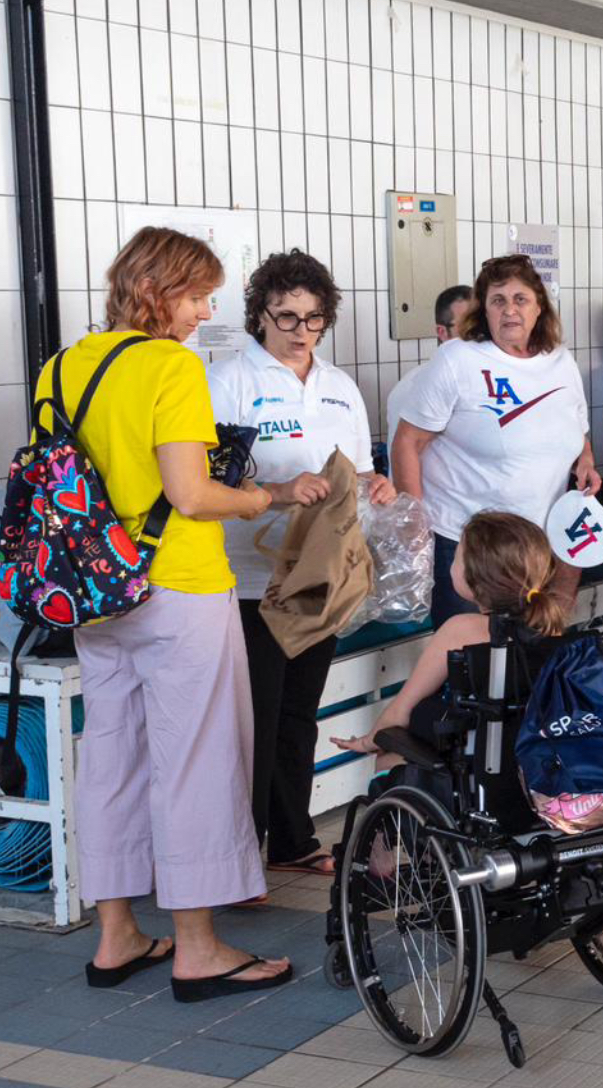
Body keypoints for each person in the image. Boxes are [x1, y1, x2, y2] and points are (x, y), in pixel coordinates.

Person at [57, 227, 288, 1000]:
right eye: (196, 295)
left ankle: (117, 935)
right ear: (157, 290)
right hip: (177, 586)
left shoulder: (65, 364)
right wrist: (262, 497)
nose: (205, 312)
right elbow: (191, 494)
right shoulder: (171, 366)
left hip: (93, 591)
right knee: (196, 761)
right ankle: (197, 948)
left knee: (111, 757)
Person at [207, 249, 396, 881]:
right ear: (259, 314)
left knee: (296, 715)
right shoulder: (229, 381)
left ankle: (291, 840)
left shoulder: (339, 387)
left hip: (319, 578)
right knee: (252, 721)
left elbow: (360, 471)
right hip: (250, 581)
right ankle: (238, 856)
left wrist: (376, 487)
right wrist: (282, 490)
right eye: (286, 317)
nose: (300, 331)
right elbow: (205, 482)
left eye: (313, 319)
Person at [391, 254, 597, 623]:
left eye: (520, 299)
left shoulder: (561, 361)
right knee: (471, 652)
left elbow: (576, 427)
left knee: (533, 650)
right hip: (469, 547)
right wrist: (415, 526)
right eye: (498, 300)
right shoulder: (458, 359)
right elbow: (407, 442)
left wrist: (586, 460)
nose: (509, 310)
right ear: (483, 310)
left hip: (538, 543)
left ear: (539, 307)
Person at [330, 510, 581, 802]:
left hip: (473, 771)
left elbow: (400, 712)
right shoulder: (551, 629)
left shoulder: (460, 630)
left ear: (475, 579)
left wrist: (367, 742)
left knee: (388, 754)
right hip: (537, 770)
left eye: (458, 555)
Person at [384, 284, 474, 449]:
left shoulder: (492, 376)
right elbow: (403, 453)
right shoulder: (414, 387)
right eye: (467, 328)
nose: (478, 335)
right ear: (442, 333)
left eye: (482, 325)